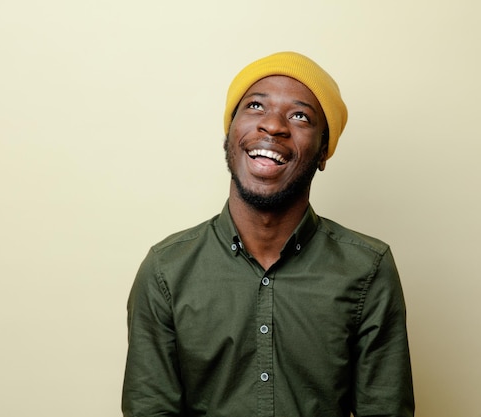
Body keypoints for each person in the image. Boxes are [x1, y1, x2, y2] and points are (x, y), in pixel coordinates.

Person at [122, 51, 414, 417]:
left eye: (299, 115)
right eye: (256, 106)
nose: (273, 125)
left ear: (323, 151)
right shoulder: (166, 270)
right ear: (230, 133)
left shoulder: (368, 269)